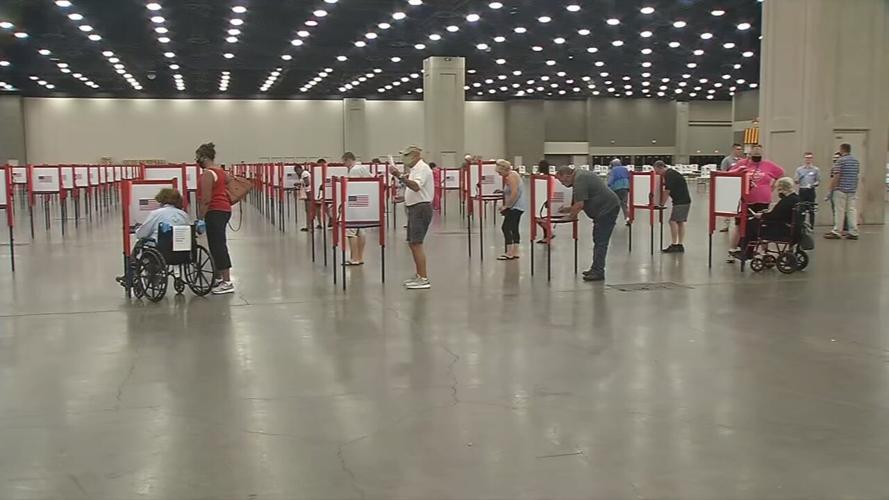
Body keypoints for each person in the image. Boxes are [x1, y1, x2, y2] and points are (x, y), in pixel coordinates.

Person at [555, 165, 621, 282]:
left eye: (562, 181)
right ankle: (595, 268)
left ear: (566, 175)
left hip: (606, 209)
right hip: (606, 208)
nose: (563, 184)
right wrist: (569, 209)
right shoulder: (581, 175)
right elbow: (583, 201)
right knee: (598, 240)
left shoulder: (580, 180)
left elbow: (580, 204)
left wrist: (569, 217)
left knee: (601, 241)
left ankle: (598, 271)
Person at [727, 144, 784, 261]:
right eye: (755, 151)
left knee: (762, 224)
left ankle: (764, 251)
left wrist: (773, 186)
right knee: (739, 224)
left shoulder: (768, 165)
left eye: (759, 151)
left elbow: (781, 174)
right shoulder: (742, 163)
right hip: (745, 200)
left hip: (763, 200)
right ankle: (732, 250)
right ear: (750, 152)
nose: (757, 153)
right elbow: (730, 174)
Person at [389, 145, 434, 290]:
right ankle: (419, 275)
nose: (404, 158)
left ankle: (424, 277)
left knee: (417, 243)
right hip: (414, 208)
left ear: (415, 156)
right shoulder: (414, 170)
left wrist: (399, 175)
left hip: (420, 209)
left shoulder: (422, 168)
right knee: (412, 242)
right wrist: (403, 198)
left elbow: (416, 187)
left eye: (406, 155)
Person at [196, 142, 235, 295]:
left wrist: (200, 217)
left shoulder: (207, 174)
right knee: (215, 244)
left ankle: (227, 281)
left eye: (198, 157)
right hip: (224, 209)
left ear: (204, 157)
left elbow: (206, 199)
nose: (196, 160)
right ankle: (219, 277)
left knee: (218, 245)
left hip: (215, 211)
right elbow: (228, 184)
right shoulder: (221, 172)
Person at [731, 177, 800, 259]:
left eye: (779, 189)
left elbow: (774, 216)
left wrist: (761, 215)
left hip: (780, 229)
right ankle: (748, 250)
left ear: (783, 188)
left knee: (750, 225)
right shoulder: (797, 199)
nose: (778, 192)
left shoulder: (786, 201)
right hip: (792, 229)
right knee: (754, 224)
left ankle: (746, 252)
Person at [653, 161, 691, 253]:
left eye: (657, 171)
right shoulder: (673, 173)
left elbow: (667, 191)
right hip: (685, 200)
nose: (657, 173)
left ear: (661, 167)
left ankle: (674, 244)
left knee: (672, 221)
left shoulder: (669, 175)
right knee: (680, 222)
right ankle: (680, 245)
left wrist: (661, 204)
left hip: (680, 201)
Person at [342, 152, 372, 266]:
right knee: (361, 231)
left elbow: (352, 188)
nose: (344, 165)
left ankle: (354, 258)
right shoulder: (363, 168)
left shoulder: (354, 170)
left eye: (344, 162)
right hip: (365, 203)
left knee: (351, 232)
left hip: (355, 203)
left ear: (348, 160)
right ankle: (360, 257)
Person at [825, 143, 860, 240]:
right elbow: (857, 176)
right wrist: (854, 188)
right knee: (851, 211)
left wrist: (831, 190)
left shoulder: (840, 161)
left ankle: (837, 231)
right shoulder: (856, 161)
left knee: (839, 211)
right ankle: (853, 231)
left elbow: (836, 176)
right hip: (852, 190)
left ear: (842, 150)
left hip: (840, 190)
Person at [495, 159, 527, 260]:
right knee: (514, 228)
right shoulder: (513, 175)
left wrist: (507, 206)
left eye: (500, 172)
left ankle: (509, 252)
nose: (500, 175)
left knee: (506, 227)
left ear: (504, 170)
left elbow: (514, 193)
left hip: (515, 207)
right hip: (519, 206)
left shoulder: (511, 176)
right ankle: (515, 251)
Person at [719, 143, 745, 231]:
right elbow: (723, 172)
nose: (739, 151)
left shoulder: (743, 160)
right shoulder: (727, 160)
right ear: (733, 150)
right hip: (730, 185)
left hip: (740, 186)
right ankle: (726, 225)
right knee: (728, 206)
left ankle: (739, 223)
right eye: (738, 149)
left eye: (741, 149)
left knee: (740, 205)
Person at [794, 152, 820, 227]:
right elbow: (795, 181)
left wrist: (814, 184)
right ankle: (802, 225)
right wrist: (799, 178)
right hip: (802, 190)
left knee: (811, 209)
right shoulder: (799, 169)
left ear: (812, 159)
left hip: (811, 190)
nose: (808, 159)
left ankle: (811, 225)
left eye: (810, 158)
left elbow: (818, 180)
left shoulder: (816, 169)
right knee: (802, 209)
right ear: (804, 159)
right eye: (807, 158)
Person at [534, 160, 556, 244]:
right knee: (544, 218)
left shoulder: (543, 178)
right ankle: (546, 236)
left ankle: (550, 233)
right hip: (547, 199)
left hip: (544, 199)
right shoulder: (550, 177)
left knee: (540, 219)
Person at [606, 158, 631, 225]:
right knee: (624, 204)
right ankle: (627, 218)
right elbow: (629, 177)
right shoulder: (625, 169)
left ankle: (612, 220)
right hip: (625, 187)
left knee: (614, 204)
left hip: (616, 188)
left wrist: (607, 186)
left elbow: (611, 179)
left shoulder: (613, 170)